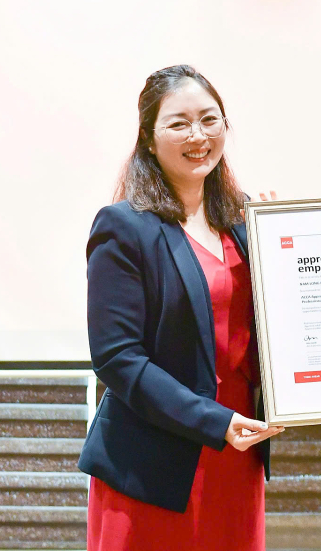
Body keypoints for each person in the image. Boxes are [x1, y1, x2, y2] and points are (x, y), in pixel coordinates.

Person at [78, 64, 283, 551]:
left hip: (238, 449)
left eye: (210, 120)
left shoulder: (244, 219)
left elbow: (278, 322)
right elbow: (117, 358)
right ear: (149, 139)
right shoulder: (124, 227)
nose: (198, 135)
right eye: (179, 123)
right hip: (154, 464)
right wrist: (213, 421)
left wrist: (283, 238)